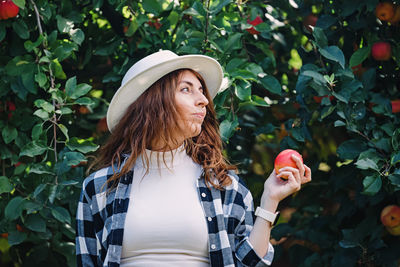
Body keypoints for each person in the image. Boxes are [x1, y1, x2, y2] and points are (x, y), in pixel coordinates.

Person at [75, 50, 312, 267]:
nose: (204, 100)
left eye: (201, 91)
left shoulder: (222, 184)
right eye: (186, 89)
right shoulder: (100, 187)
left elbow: (249, 264)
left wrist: (270, 199)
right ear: (153, 101)